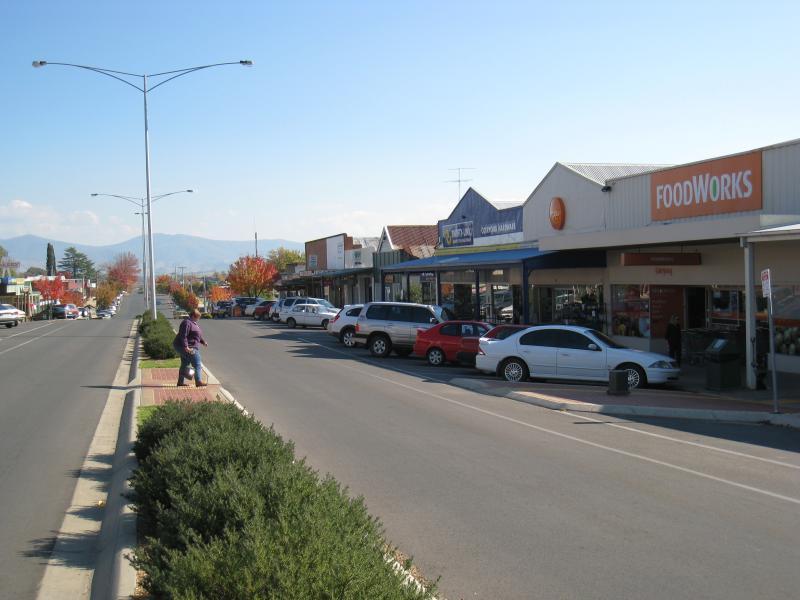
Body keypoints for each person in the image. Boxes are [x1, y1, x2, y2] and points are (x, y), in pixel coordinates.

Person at [173, 308, 208, 387]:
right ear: (193, 316)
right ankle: (198, 382)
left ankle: (180, 382)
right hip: (187, 347)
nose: (198, 319)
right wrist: (186, 346)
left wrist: (203, 342)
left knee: (185, 364)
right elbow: (183, 335)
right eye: (197, 317)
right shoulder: (187, 323)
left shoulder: (193, 323)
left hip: (188, 346)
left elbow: (197, 335)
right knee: (197, 363)